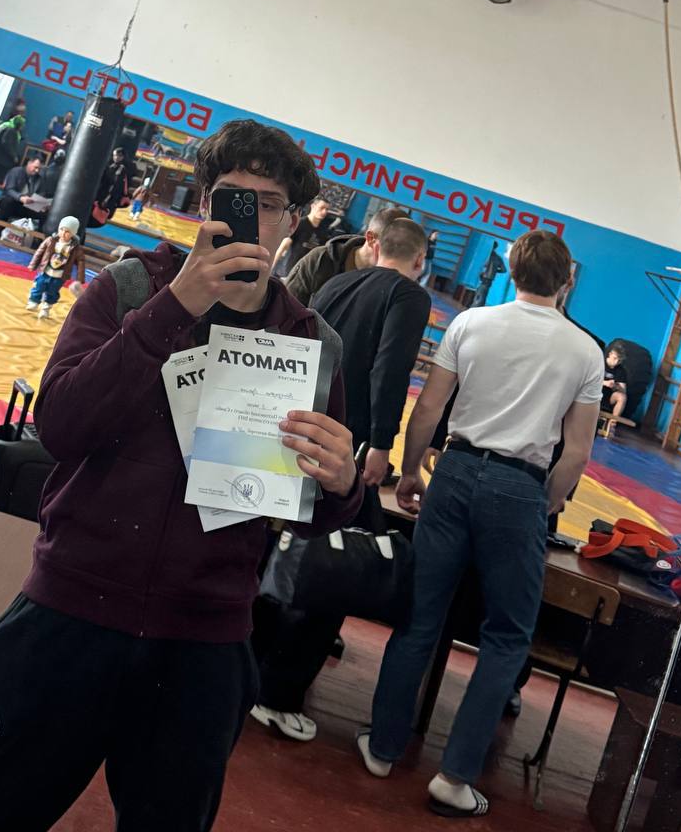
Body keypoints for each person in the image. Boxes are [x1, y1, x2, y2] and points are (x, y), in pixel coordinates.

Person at [0, 118, 363, 832]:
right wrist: (173, 307)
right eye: (232, 197)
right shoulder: (126, 289)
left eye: (269, 203)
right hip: (68, 615)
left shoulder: (312, 341)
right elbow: (60, 428)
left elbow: (304, 509)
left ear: (291, 222)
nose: (249, 216)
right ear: (205, 204)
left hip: (203, 644)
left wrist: (342, 487)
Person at [357, 230, 603, 819]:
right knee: (507, 637)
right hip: (519, 485)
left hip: (456, 471)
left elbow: (429, 408)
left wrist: (410, 470)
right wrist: (544, 503)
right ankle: (455, 775)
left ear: (511, 271)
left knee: (420, 616)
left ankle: (384, 746)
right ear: (567, 281)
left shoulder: (470, 323)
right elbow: (575, 452)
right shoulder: (584, 351)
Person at [252, 217, 432, 742]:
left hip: (297, 428)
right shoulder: (409, 296)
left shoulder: (337, 283)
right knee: (334, 566)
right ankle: (278, 695)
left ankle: (255, 671)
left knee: (280, 554)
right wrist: (381, 443)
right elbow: (390, 368)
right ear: (420, 261)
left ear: (376, 245)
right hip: (342, 444)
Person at [283, 205, 408, 306]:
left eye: (404, 249)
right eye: (393, 246)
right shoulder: (321, 260)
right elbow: (284, 309)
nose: (398, 255)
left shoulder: (392, 285)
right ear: (371, 238)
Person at [26, 214, 86, 319]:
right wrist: (33, 264)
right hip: (46, 270)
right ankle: (34, 301)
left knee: (52, 292)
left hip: (60, 275)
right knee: (38, 285)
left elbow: (81, 262)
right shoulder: (51, 241)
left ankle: (46, 308)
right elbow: (39, 252)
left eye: (67, 232)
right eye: (61, 229)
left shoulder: (75, 248)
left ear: (73, 233)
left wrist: (80, 278)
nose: (63, 233)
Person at [273, 195, 332, 274]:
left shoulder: (324, 230)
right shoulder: (299, 224)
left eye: (327, 209)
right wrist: (271, 267)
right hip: (290, 270)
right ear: (313, 206)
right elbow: (283, 246)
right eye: (322, 208)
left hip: (307, 272)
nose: (324, 212)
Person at [0, 157, 43, 223]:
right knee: (9, 201)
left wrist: (41, 205)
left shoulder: (37, 179)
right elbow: (9, 190)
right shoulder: (17, 171)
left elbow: (37, 194)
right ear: (29, 163)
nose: (37, 170)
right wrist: (20, 197)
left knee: (43, 214)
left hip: (25, 205)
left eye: (39, 169)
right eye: (35, 167)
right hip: (9, 201)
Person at [90, 145, 131, 226]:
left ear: (122, 157)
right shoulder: (111, 166)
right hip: (103, 194)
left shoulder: (121, 169)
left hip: (107, 197)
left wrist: (106, 198)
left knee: (99, 214)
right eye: (115, 155)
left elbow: (115, 186)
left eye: (119, 156)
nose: (116, 157)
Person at [601, 344, 628, 438]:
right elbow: (589, 379)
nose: (616, 362)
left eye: (619, 360)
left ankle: (612, 424)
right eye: (615, 358)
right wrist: (604, 383)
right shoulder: (599, 362)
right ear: (610, 354)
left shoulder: (621, 371)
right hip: (594, 392)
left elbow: (623, 390)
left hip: (608, 397)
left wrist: (616, 386)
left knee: (622, 397)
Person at [471, 241, 505, 307]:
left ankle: (474, 309)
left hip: (484, 278)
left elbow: (483, 265)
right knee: (482, 295)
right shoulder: (498, 258)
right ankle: (477, 309)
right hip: (489, 279)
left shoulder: (486, 255)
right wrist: (495, 270)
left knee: (479, 296)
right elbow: (503, 270)